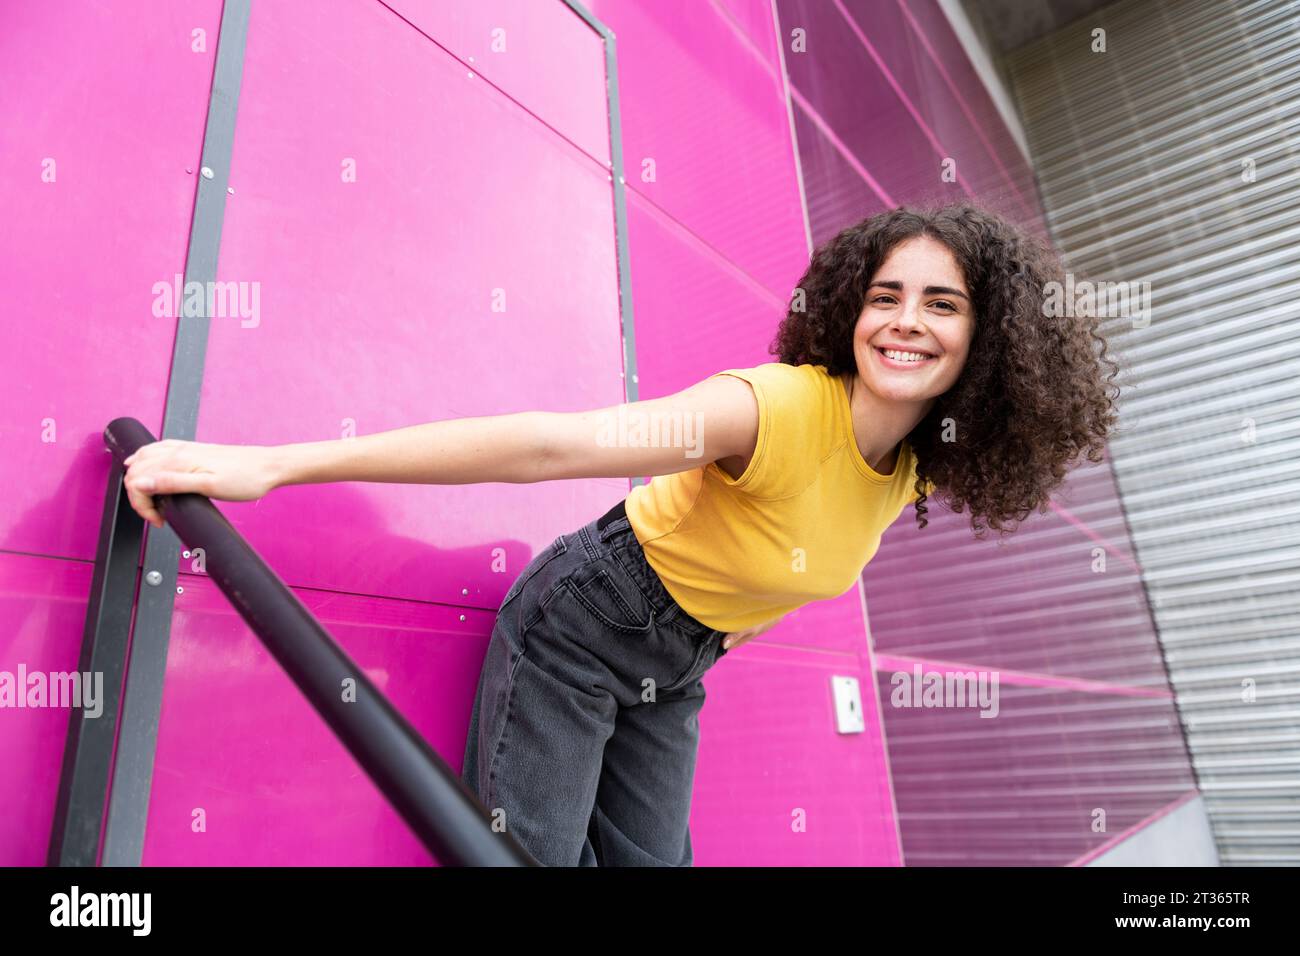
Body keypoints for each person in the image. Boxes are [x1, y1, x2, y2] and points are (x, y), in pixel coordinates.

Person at [120, 200, 1119, 866]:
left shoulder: (909, 468)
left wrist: (701, 647)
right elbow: (550, 447)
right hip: (589, 618)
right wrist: (275, 464)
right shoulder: (770, 408)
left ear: (986, 340)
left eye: (940, 303)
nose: (903, 322)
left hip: (674, 665)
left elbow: (776, 568)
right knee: (522, 858)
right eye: (884, 294)